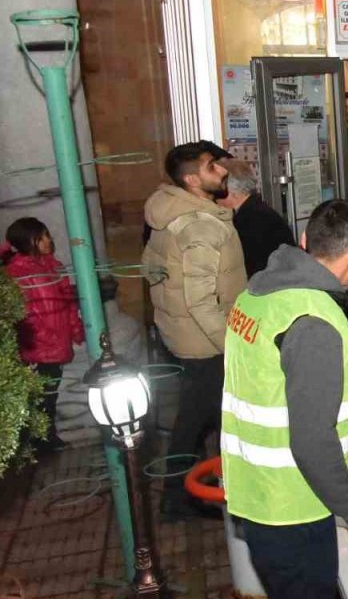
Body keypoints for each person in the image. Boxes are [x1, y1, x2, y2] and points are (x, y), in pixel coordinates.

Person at [222, 200, 348, 599]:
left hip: (257, 493)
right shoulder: (314, 322)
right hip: (291, 508)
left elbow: (271, 395)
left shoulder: (257, 295)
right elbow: (311, 439)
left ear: (305, 240)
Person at [143, 142, 247, 519]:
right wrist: (232, 344)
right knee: (195, 420)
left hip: (186, 336)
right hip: (206, 342)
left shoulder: (170, 210)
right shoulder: (200, 227)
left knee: (212, 418)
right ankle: (178, 498)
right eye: (210, 167)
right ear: (191, 180)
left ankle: (216, 488)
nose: (221, 170)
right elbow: (200, 301)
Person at [3, 218, 83, 450]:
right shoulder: (15, 272)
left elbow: (67, 301)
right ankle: (39, 439)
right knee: (40, 395)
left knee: (50, 393)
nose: (49, 240)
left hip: (55, 342)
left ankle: (45, 436)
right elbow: (22, 313)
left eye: (48, 235)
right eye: (43, 236)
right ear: (29, 241)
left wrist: (75, 330)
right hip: (36, 346)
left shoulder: (53, 265)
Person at [217, 165, 295, 278]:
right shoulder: (254, 211)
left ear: (231, 192)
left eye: (217, 190)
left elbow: (252, 265)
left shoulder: (253, 219)